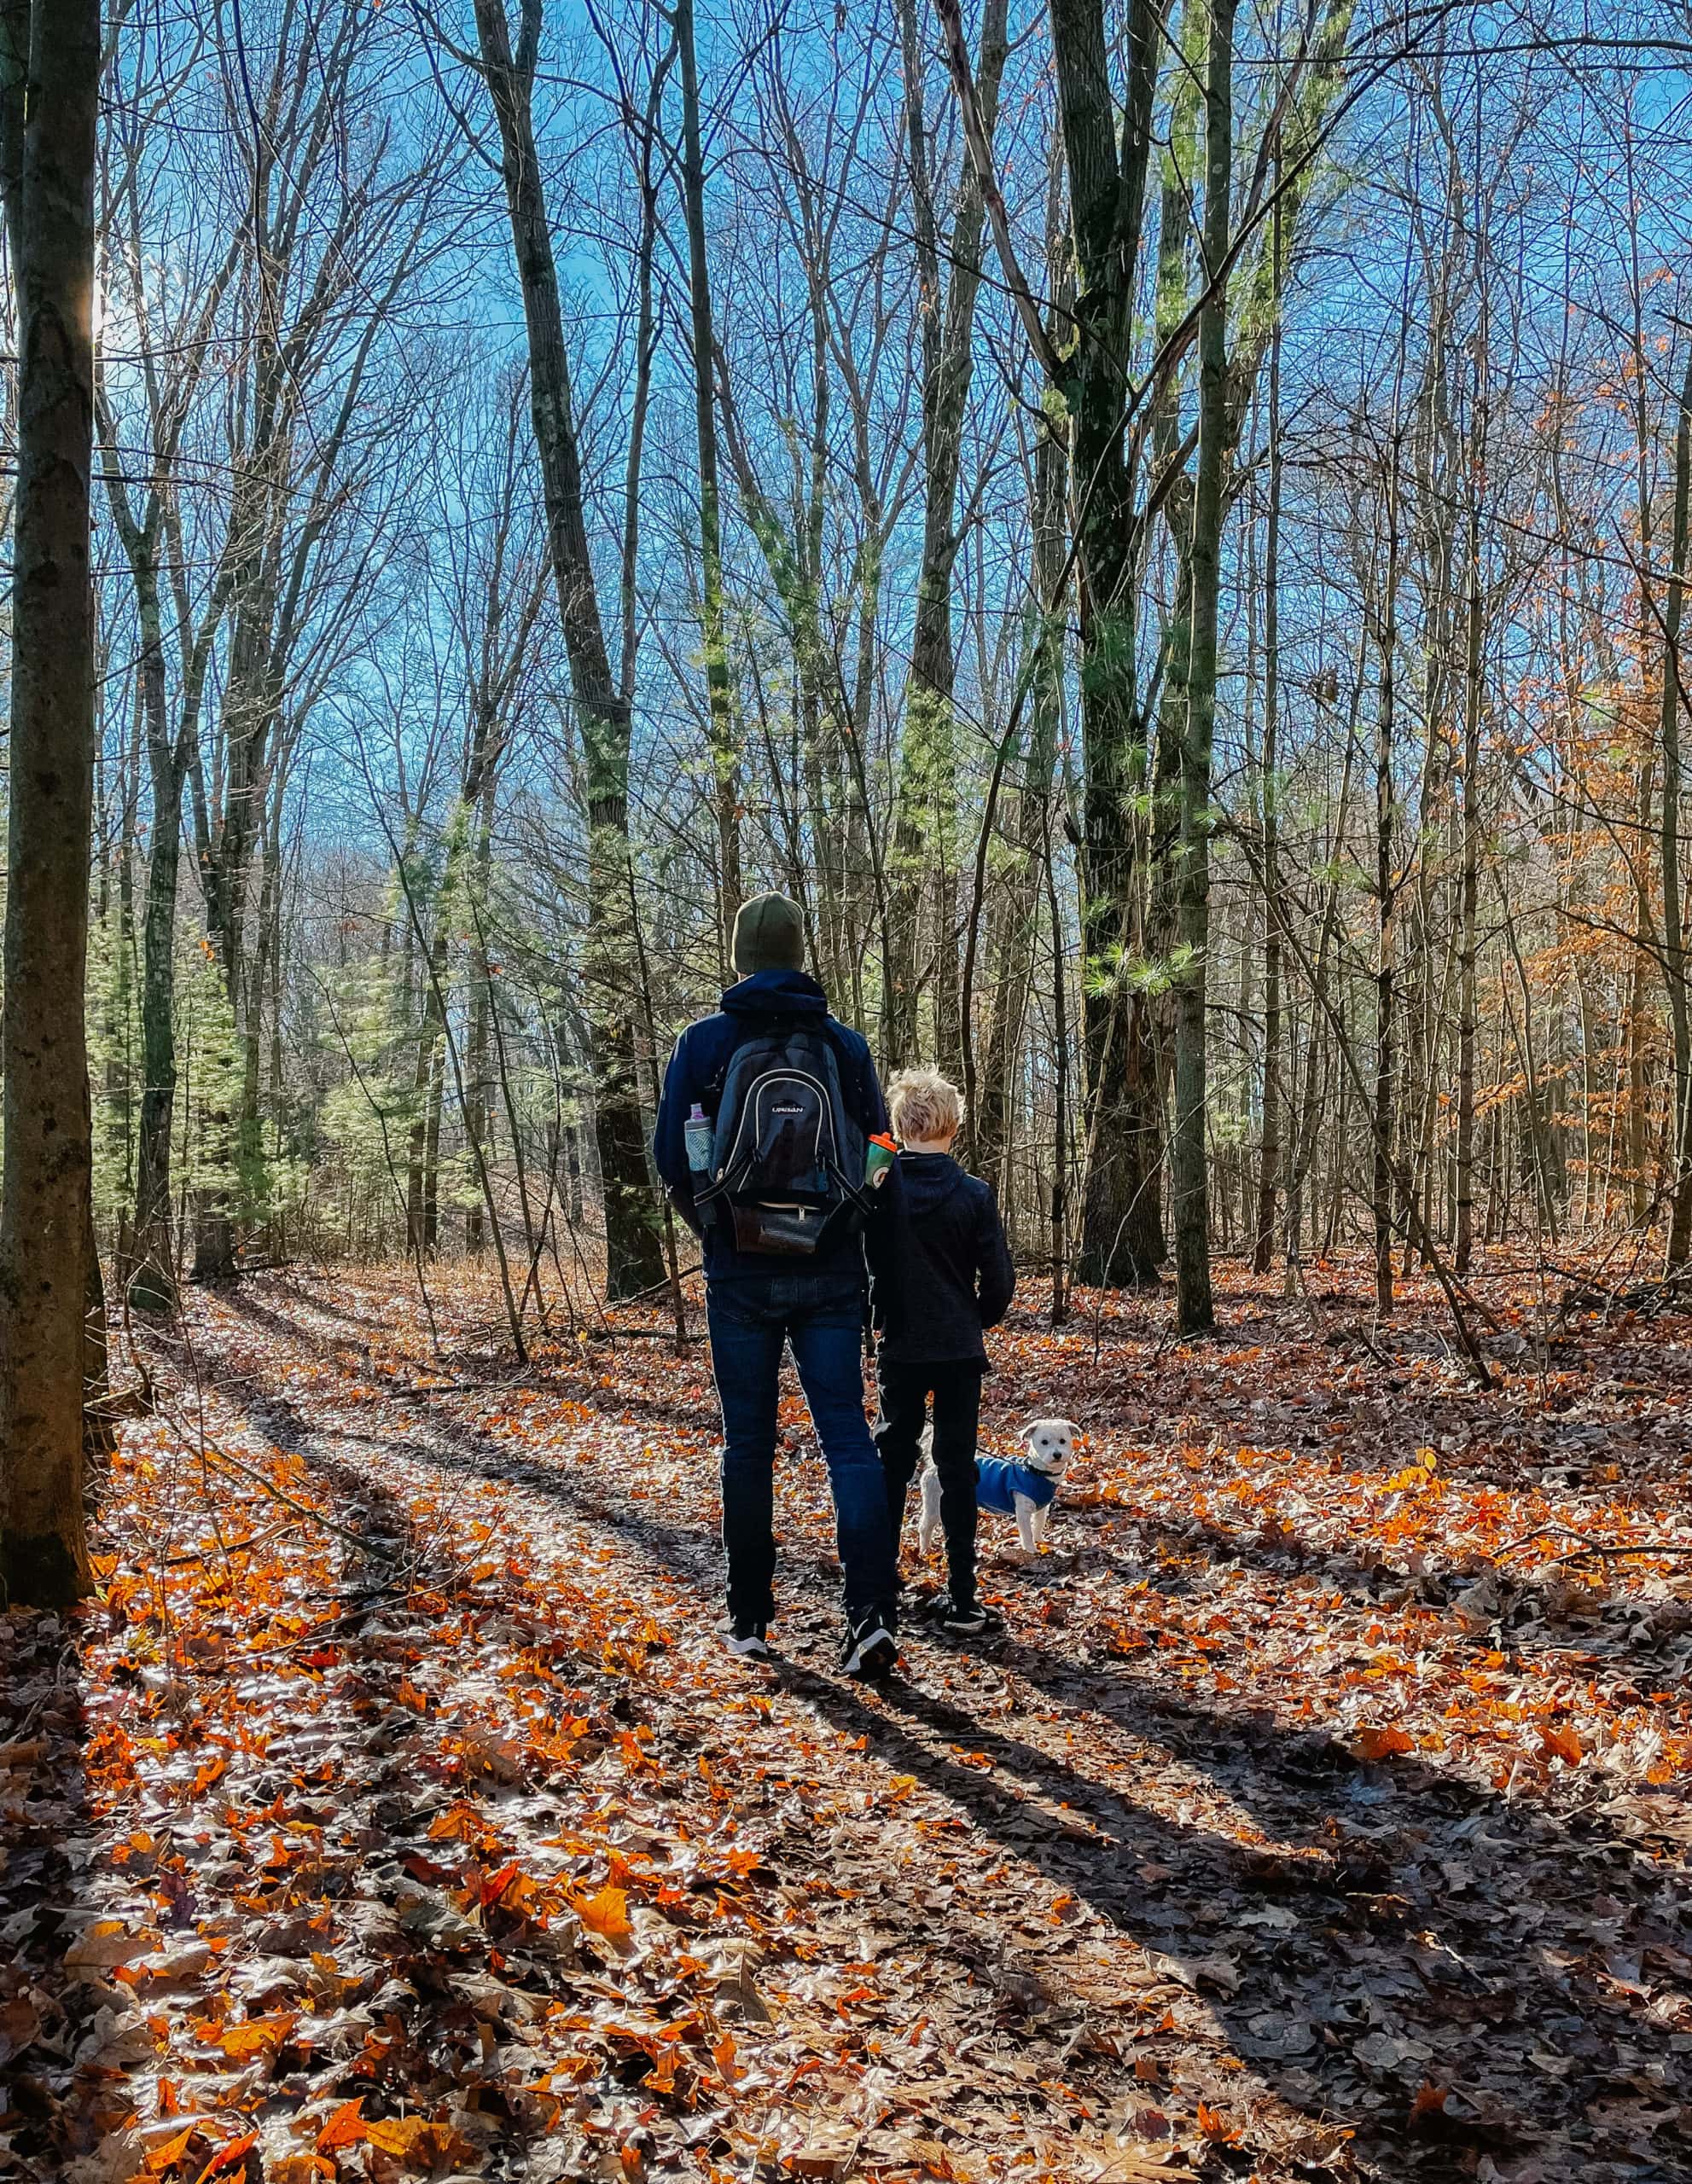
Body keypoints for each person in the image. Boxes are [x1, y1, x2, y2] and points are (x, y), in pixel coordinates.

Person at [654, 892, 902, 1676]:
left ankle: (749, 1618)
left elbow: (672, 1156)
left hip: (739, 1271)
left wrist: (719, 1230)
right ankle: (868, 1616)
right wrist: (846, 1221)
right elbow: (879, 1149)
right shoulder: (844, 1045)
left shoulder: (702, 1044)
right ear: (799, 954)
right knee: (847, 1439)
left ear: (739, 957)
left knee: (748, 1446)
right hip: (830, 1267)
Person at [873, 1068, 1015, 1636]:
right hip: (958, 1349)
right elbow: (999, 1281)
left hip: (901, 1344)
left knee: (891, 1462)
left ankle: (877, 1591)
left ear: (899, 1126)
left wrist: (875, 1315)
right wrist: (972, 1320)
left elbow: (866, 1266)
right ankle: (962, 1599)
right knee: (957, 1469)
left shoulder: (880, 1189)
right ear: (953, 1127)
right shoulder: (974, 1194)